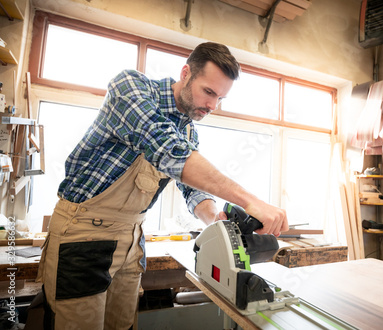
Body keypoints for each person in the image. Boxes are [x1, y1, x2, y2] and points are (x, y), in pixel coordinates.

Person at [36, 42, 288, 329]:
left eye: (220, 98)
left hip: (132, 237)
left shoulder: (188, 130)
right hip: (82, 233)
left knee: (122, 325)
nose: (212, 106)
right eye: (208, 92)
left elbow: (193, 190)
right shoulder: (131, 87)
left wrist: (216, 220)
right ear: (185, 73)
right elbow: (166, 148)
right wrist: (251, 202)